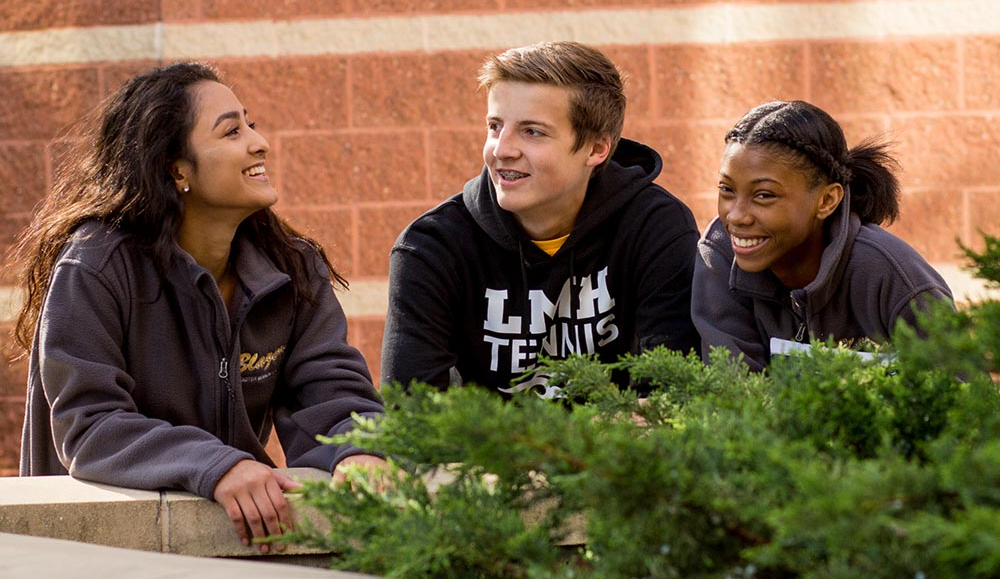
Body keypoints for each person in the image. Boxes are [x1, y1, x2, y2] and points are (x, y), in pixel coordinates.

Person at [15, 62, 385, 552]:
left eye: (250, 124)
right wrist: (216, 465)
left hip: (228, 544)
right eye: (232, 131)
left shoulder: (291, 269)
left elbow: (329, 391)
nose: (259, 143)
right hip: (93, 550)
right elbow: (90, 425)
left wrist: (356, 450)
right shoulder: (96, 268)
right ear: (177, 170)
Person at [381, 41, 701, 396]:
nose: (502, 149)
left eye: (532, 131)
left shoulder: (655, 229)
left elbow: (667, 402)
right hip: (480, 454)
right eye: (495, 126)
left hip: (620, 453)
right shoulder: (432, 248)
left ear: (596, 149)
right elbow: (412, 419)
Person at [692, 100, 954, 370]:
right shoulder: (720, 257)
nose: (736, 216)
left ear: (827, 199)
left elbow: (961, 392)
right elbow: (730, 393)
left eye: (764, 195)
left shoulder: (890, 274)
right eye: (727, 190)